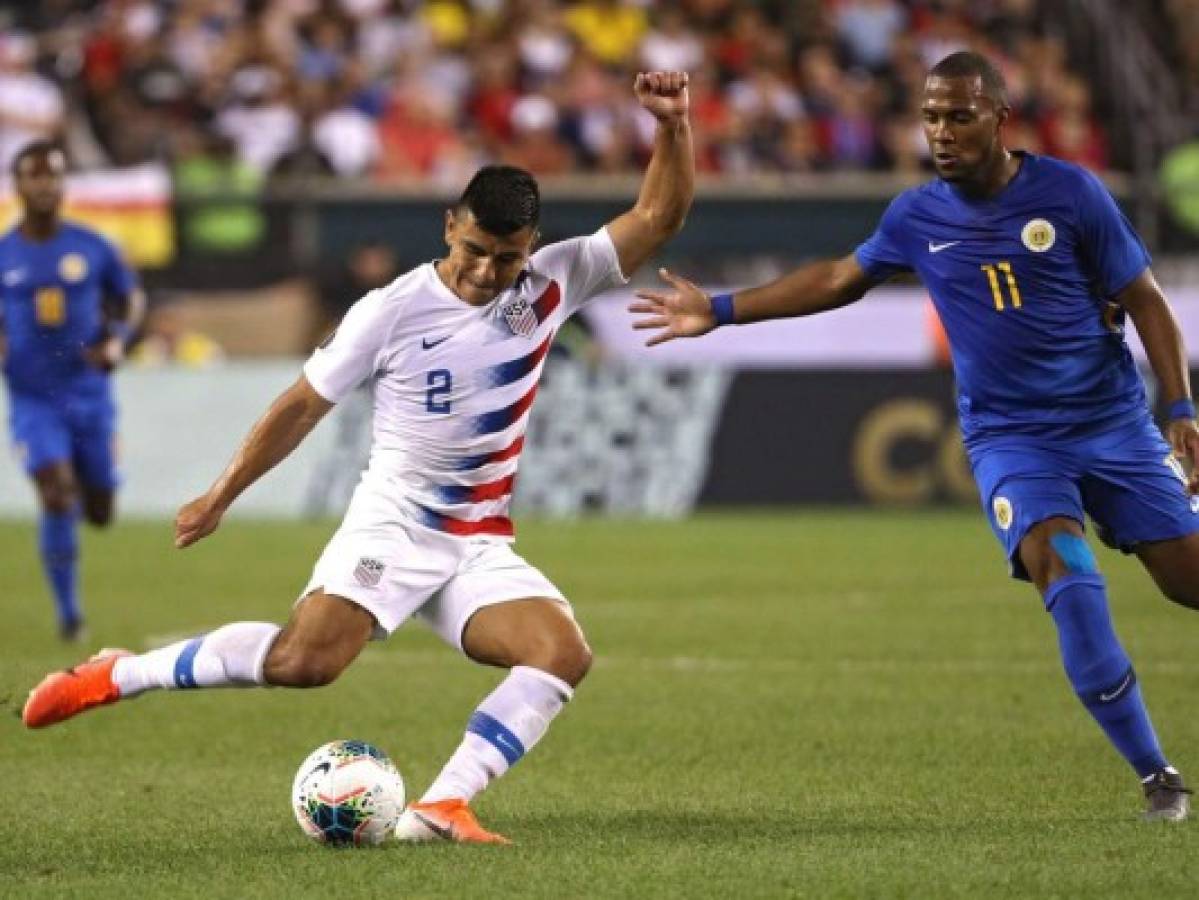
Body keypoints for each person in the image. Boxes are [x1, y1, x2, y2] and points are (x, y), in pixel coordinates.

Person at [22, 71, 693, 844]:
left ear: (530, 249)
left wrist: (671, 125)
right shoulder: (391, 311)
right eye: (474, 249)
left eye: (504, 258)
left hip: (477, 539)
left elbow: (658, 214)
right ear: (449, 226)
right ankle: (118, 674)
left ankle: (441, 807)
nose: (485, 271)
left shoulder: (555, 280)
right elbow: (301, 404)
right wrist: (220, 494)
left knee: (558, 654)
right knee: (305, 663)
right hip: (397, 521)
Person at [630, 51, 1198, 822]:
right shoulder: (915, 215)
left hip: (1112, 428)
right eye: (930, 115)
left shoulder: (1070, 195)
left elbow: (1146, 301)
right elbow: (838, 278)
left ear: (999, 118)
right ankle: (1156, 776)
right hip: (1012, 442)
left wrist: (1179, 409)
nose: (940, 131)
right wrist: (722, 310)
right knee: (1065, 576)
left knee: (1184, 580)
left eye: (958, 115)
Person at [1, 141, 145, 640]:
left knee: (100, 511)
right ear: (17, 185)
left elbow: (129, 300)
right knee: (56, 494)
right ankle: (70, 616)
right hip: (32, 400)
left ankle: (95, 486)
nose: (44, 185)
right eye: (33, 176)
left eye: (53, 176)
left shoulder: (93, 246)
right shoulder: (3, 254)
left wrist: (117, 342)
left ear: (64, 184)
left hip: (89, 395)